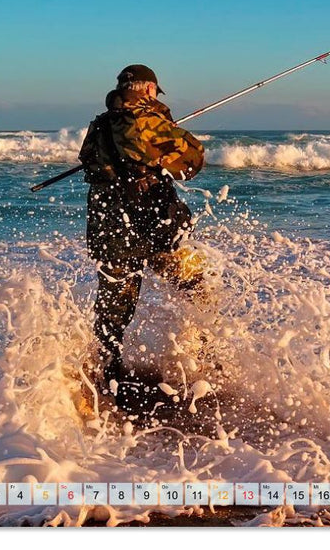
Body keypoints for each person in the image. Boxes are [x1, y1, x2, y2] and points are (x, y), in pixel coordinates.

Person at [78, 64, 206, 408]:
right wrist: (172, 131)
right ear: (148, 89)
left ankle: (107, 376)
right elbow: (192, 161)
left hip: (109, 227)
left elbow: (92, 163)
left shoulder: (100, 125)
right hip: (151, 226)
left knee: (113, 309)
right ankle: (205, 361)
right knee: (199, 290)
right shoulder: (146, 121)